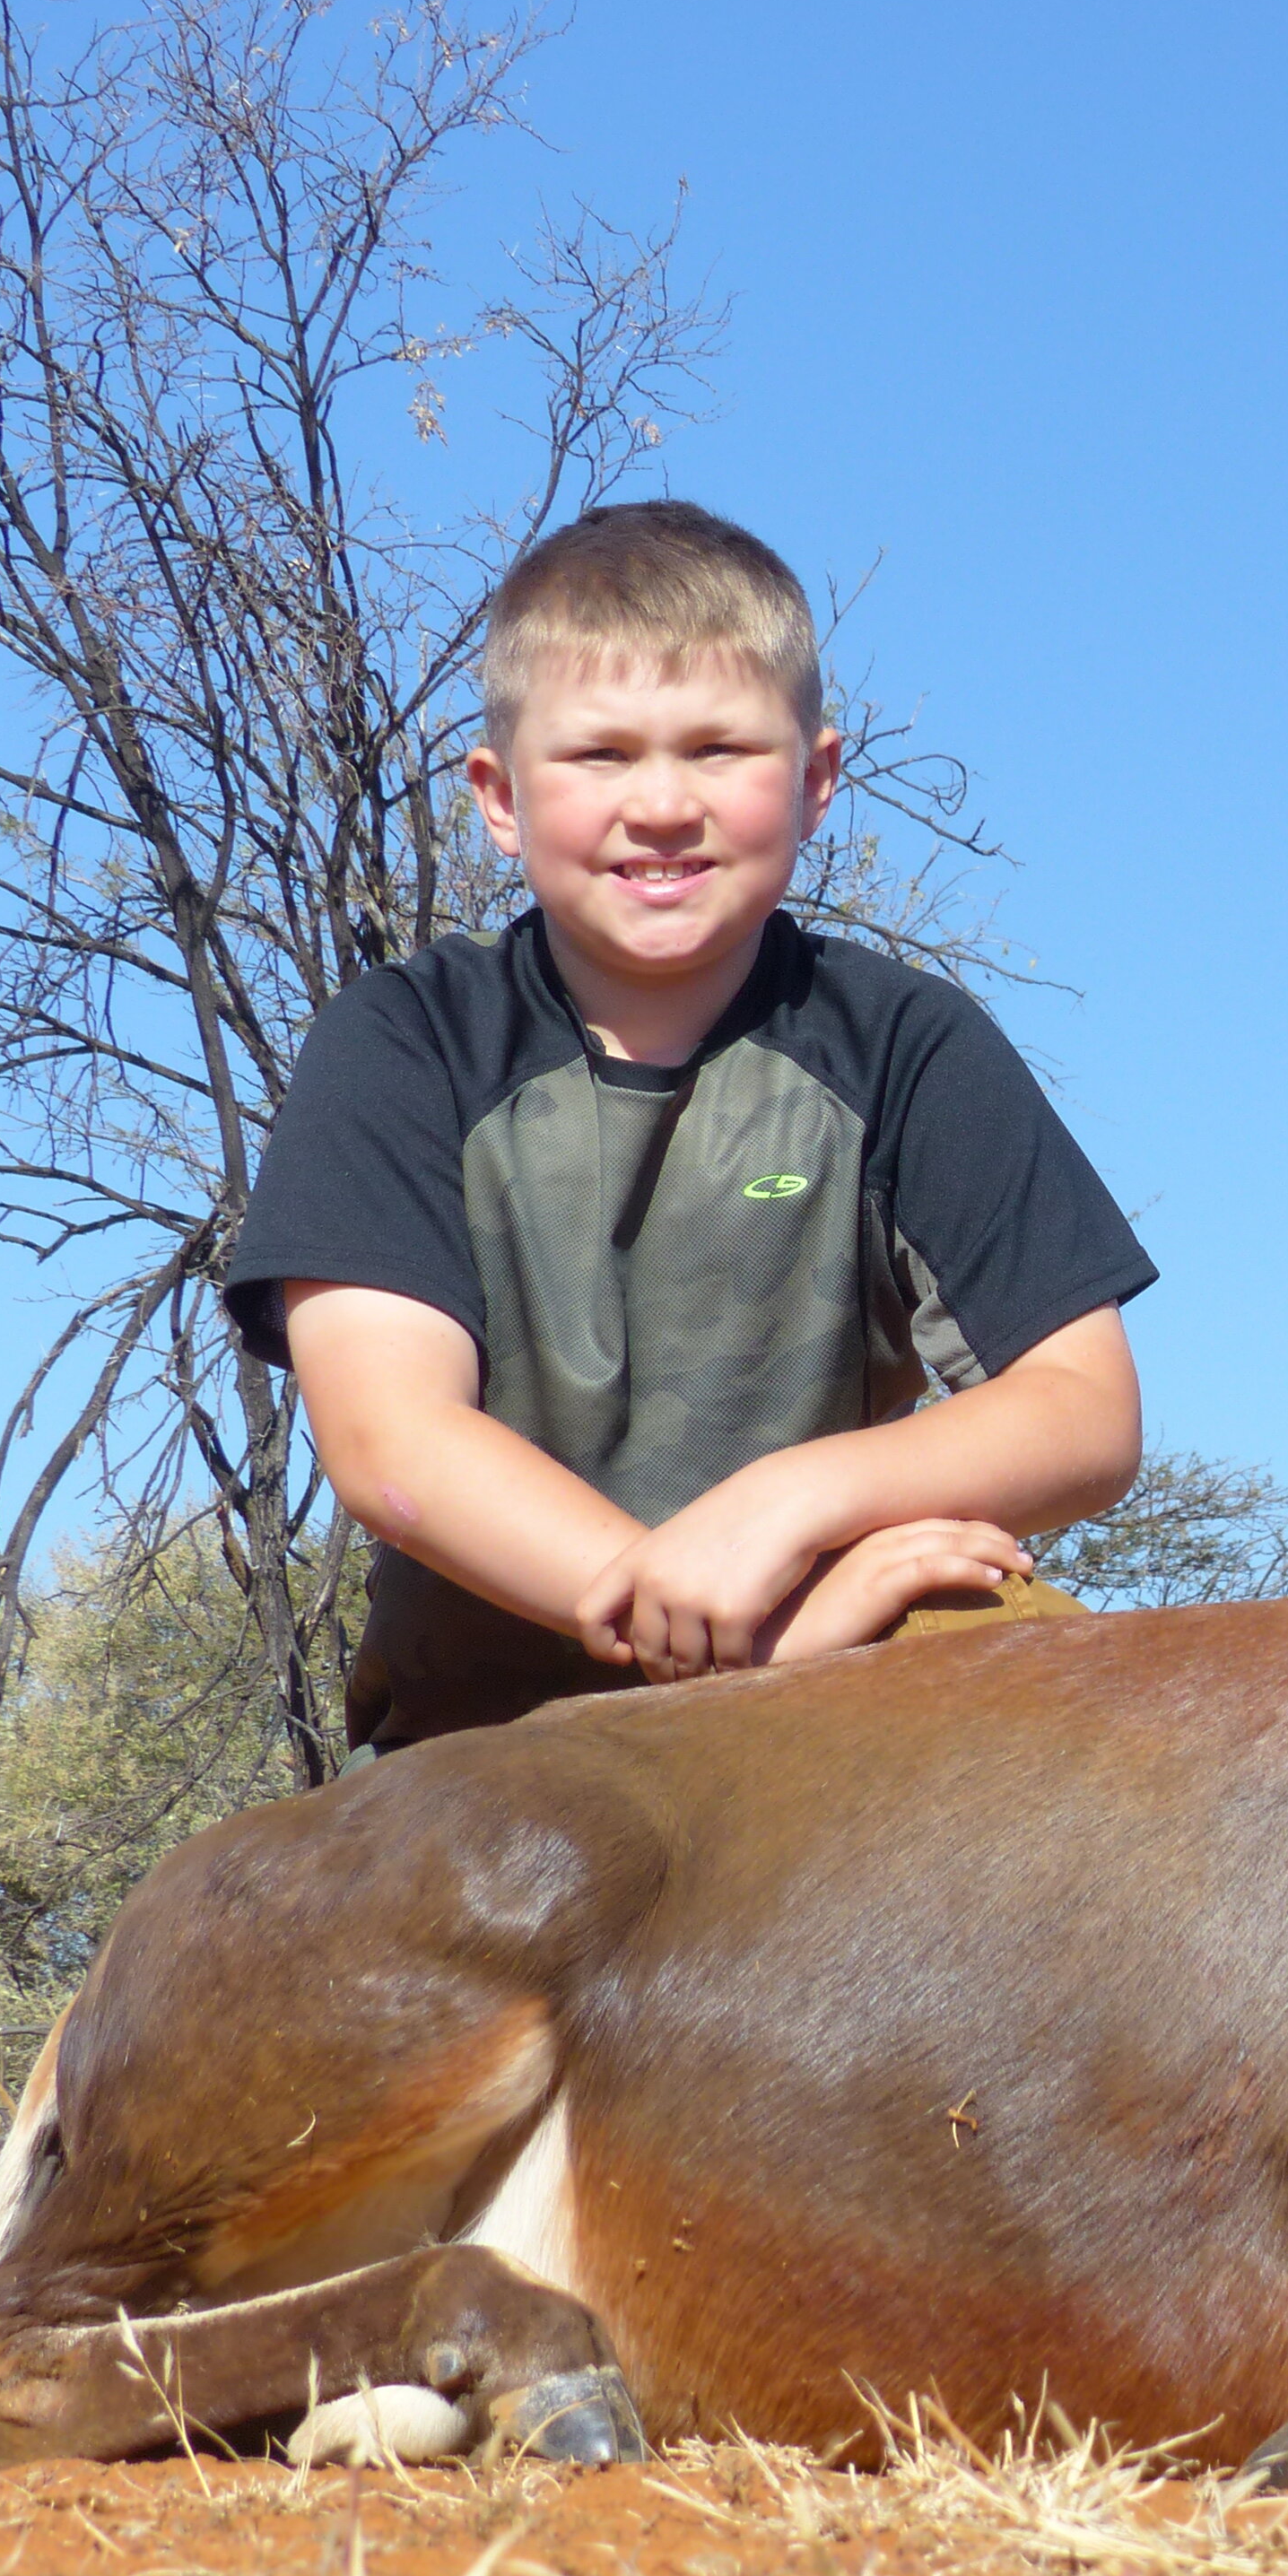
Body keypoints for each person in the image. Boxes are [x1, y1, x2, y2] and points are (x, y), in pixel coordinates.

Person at [222, 500, 1152, 1755]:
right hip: (499, 1692)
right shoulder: (401, 1042)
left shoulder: (910, 1040)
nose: (662, 805)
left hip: (856, 1636)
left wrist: (792, 1505)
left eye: (720, 750)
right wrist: (707, 1629)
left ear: (816, 780)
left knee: (1102, 1739)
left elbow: (1084, 1415)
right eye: (600, 756)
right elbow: (391, 1444)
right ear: (498, 797)